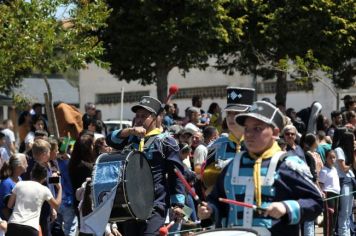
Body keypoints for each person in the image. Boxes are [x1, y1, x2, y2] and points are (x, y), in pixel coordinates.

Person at [198, 100, 323, 236]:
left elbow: (315, 202)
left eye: (257, 128)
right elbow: (218, 200)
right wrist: (209, 210)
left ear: (275, 132)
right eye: (247, 128)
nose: (250, 134)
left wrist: (286, 207)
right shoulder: (232, 166)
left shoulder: (287, 165)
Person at [106, 96, 186, 236]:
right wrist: (130, 131)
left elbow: (176, 175)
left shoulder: (167, 142)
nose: (139, 119)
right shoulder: (131, 138)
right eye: (137, 116)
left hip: (155, 204)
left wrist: (178, 204)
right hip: (130, 205)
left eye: (144, 116)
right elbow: (110, 139)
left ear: (156, 118)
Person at [202, 87, 255, 194]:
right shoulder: (216, 147)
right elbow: (207, 184)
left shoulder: (258, 145)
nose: (231, 117)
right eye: (229, 113)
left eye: (236, 113)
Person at [6, 163, 62, 236]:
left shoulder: (19, 184)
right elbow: (56, 205)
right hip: (31, 227)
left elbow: (9, 205)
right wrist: (60, 188)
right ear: (44, 178)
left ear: (31, 173)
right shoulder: (45, 189)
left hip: (13, 224)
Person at [0, 154, 28, 221]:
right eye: (25, 162)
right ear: (18, 166)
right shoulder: (6, 183)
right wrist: (11, 223)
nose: (27, 165)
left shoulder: (20, 179)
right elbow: (4, 209)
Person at [319, 149, 340, 236]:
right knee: (329, 218)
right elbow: (320, 184)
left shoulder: (334, 169)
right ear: (326, 158)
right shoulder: (324, 170)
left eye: (334, 157)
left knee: (334, 217)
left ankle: (331, 234)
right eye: (330, 157)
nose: (332, 159)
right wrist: (322, 193)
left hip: (336, 194)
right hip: (329, 194)